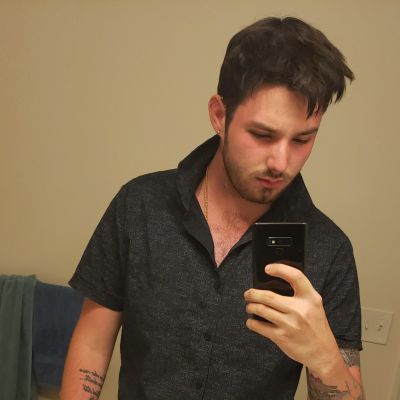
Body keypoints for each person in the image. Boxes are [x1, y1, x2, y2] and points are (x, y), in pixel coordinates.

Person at [60, 16, 365, 400]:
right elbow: (92, 344)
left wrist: (324, 358)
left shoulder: (330, 250)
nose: (281, 163)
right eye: (262, 135)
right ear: (220, 115)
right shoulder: (139, 205)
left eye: (302, 140)